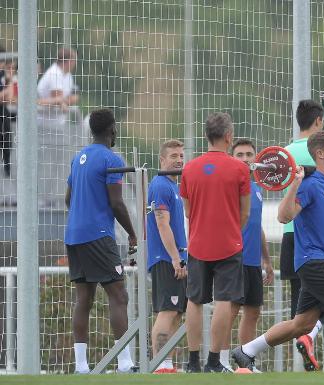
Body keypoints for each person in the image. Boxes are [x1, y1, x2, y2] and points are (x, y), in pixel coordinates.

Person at [231, 131, 324, 372]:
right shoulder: (309, 184)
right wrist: (295, 183)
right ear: (320, 154)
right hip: (313, 261)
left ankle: (246, 351)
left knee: (302, 324)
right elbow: (283, 216)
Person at [64, 108, 137, 374]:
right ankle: (125, 362)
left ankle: (80, 367)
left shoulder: (78, 157)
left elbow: (68, 200)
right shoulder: (111, 159)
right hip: (98, 235)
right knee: (119, 294)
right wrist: (132, 232)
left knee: (84, 298)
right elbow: (116, 203)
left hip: (73, 235)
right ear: (112, 130)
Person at [180, 112, 251, 373]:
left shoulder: (189, 168)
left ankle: (193, 362)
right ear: (229, 137)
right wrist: (233, 229)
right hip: (229, 244)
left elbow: (187, 210)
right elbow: (245, 212)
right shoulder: (240, 168)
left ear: (206, 136)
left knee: (194, 300)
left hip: (198, 243)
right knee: (224, 300)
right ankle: (213, 361)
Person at [220, 138, 274, 372]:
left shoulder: (258, 188)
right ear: (232, 158)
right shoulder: (229, 186)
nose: (244, 159)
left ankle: (245, 360)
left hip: (253, 261)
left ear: (256, 159)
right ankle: (219, 361)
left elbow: (257, 225)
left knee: (253, 312)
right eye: (239, 154)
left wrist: (267, 259)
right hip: (234, 258)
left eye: (249, 154)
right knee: (230, 311)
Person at [281, 99, 324, 371]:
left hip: (289, 233)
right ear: (319, 121)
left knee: (298, 299)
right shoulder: (322, 152)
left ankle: (303, 359)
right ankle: (310, 337)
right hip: (317, 236)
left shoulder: (284, 153)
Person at [146, 139, 188, 374]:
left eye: (181, 155)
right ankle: (160, 365)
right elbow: (162, 224)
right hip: (166, 259)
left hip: (176, 257)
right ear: (162, 160)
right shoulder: (161, 184)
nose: (179, 160)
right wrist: (175, 257)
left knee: (176, 313)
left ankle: (168, 365)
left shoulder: (174, 186)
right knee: (167, 311)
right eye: (173, 156)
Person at [37, 47, 82, 208]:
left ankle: (48, 197)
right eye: (74, 60)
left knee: (56, 163)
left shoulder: (67, 76)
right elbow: (57, 98)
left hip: (58, 125)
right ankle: (40, 198)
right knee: (45, 163)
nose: (75, 63)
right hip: (44, 126)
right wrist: (61, 101)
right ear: (68, 61)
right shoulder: (54, 73)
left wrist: (63, 101)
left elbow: (74, 96)